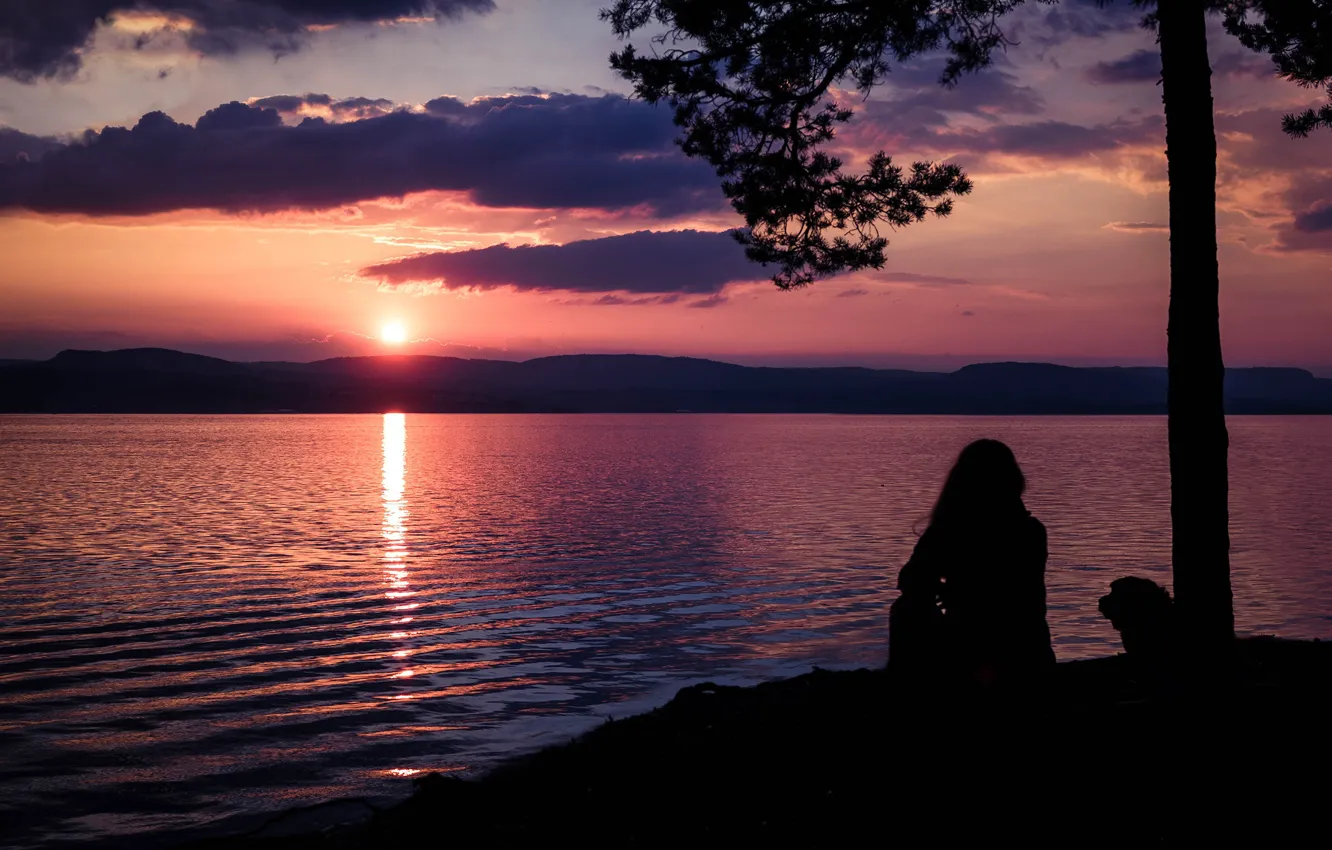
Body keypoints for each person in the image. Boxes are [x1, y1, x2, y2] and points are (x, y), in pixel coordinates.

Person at [889, 439, 1055, 688]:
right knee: (909, 606)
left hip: (983, 643)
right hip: (1029, 648)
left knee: (906, 609)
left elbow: (913, 580)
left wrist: (954, 592)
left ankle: (911, 686)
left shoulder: (951, 529)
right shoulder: (1031, 530)